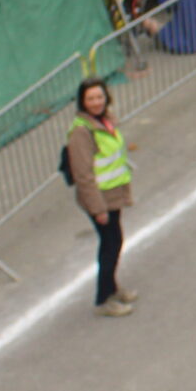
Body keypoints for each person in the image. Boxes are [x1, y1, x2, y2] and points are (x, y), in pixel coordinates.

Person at [66, 79, 139, 318]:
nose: (96, 102)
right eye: (90, 99)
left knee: (114, 242)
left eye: (99, 97)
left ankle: (113, 288)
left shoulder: (105, 121)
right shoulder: (81, 132)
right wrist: (98, 208)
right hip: (99, 198)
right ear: (83, 102)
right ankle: (104, 297)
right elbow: (83, 174)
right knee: (110, 244)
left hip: (112, 193)